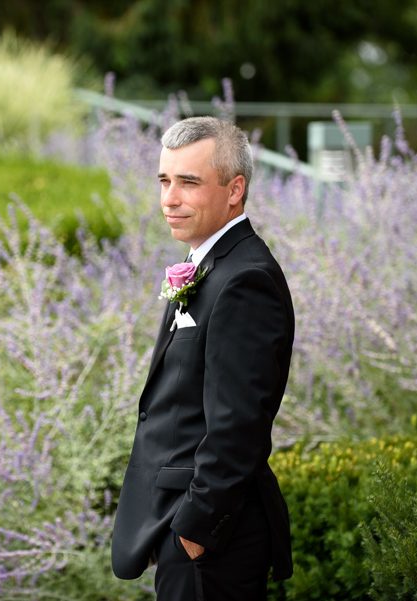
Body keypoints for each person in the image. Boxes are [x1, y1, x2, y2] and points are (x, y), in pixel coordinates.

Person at [111, 116, 295, 600]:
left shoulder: (244, 279)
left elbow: (238, 426)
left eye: (188, 182)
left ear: (235, 190)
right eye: (164, 181)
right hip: (181, 526)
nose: (169, 199)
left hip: (213, 539)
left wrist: (193, 530)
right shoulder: (211, 264)